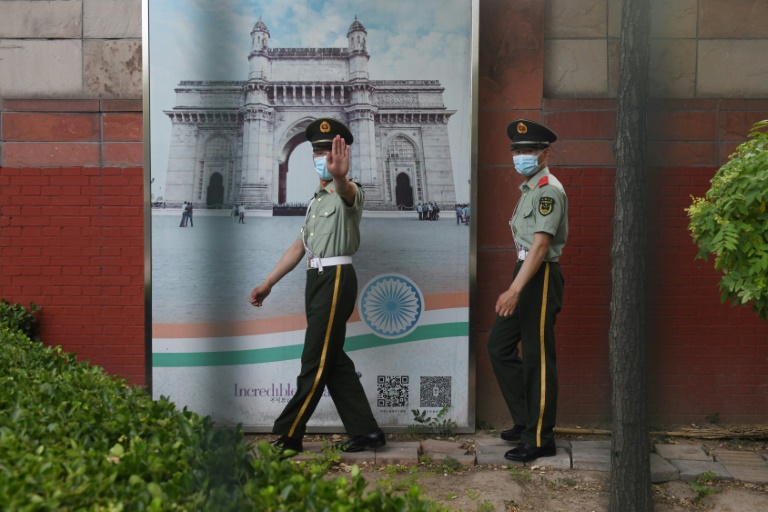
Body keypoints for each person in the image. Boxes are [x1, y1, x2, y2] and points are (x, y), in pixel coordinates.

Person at [249, 118, 385, 456]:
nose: (321, 157)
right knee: (332, 357)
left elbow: (346, 190)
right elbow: (299, 247)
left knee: (314, 358)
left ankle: (289, 434)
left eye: (327, 151)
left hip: (337, 278)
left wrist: (340, 176)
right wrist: (268, 283)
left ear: (342, 154)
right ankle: (366, 432)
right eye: (316, 151)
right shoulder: (316, 201)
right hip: (317, 279)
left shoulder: (349, 193)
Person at [487, 119, 568, 463]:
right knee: (499, 347)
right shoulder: (531, 189)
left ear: (545, 153)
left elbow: (540, 245)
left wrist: (515, 289)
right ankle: (525, 420)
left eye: (529, 150)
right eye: (517, 150)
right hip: (526, 270)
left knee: (537, 357)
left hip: (540, 273)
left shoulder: (548, 189)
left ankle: (539, 437)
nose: (521, 156)